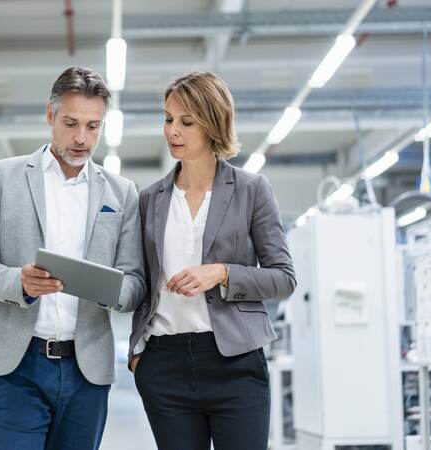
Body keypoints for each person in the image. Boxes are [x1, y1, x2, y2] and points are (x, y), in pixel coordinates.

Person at [0, 66, 146, 450]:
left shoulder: (122, 193)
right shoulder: (0, 177)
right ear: (50, 115)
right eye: (71, 123)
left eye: (93, 127)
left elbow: (135, 282)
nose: (81, 138)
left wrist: (111, 291)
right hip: (17, 368)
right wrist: (19, 282)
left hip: (86, 371)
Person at [129, 71, 296, 450]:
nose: (173, 130)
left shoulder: (252, 190)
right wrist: (138, 356)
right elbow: (142, 281)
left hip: (234, 362)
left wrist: (223, 273)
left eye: (186, 122)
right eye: (168, 119)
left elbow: (283, 278)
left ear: (213, 124)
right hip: (165, 363)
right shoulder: (150, 199)